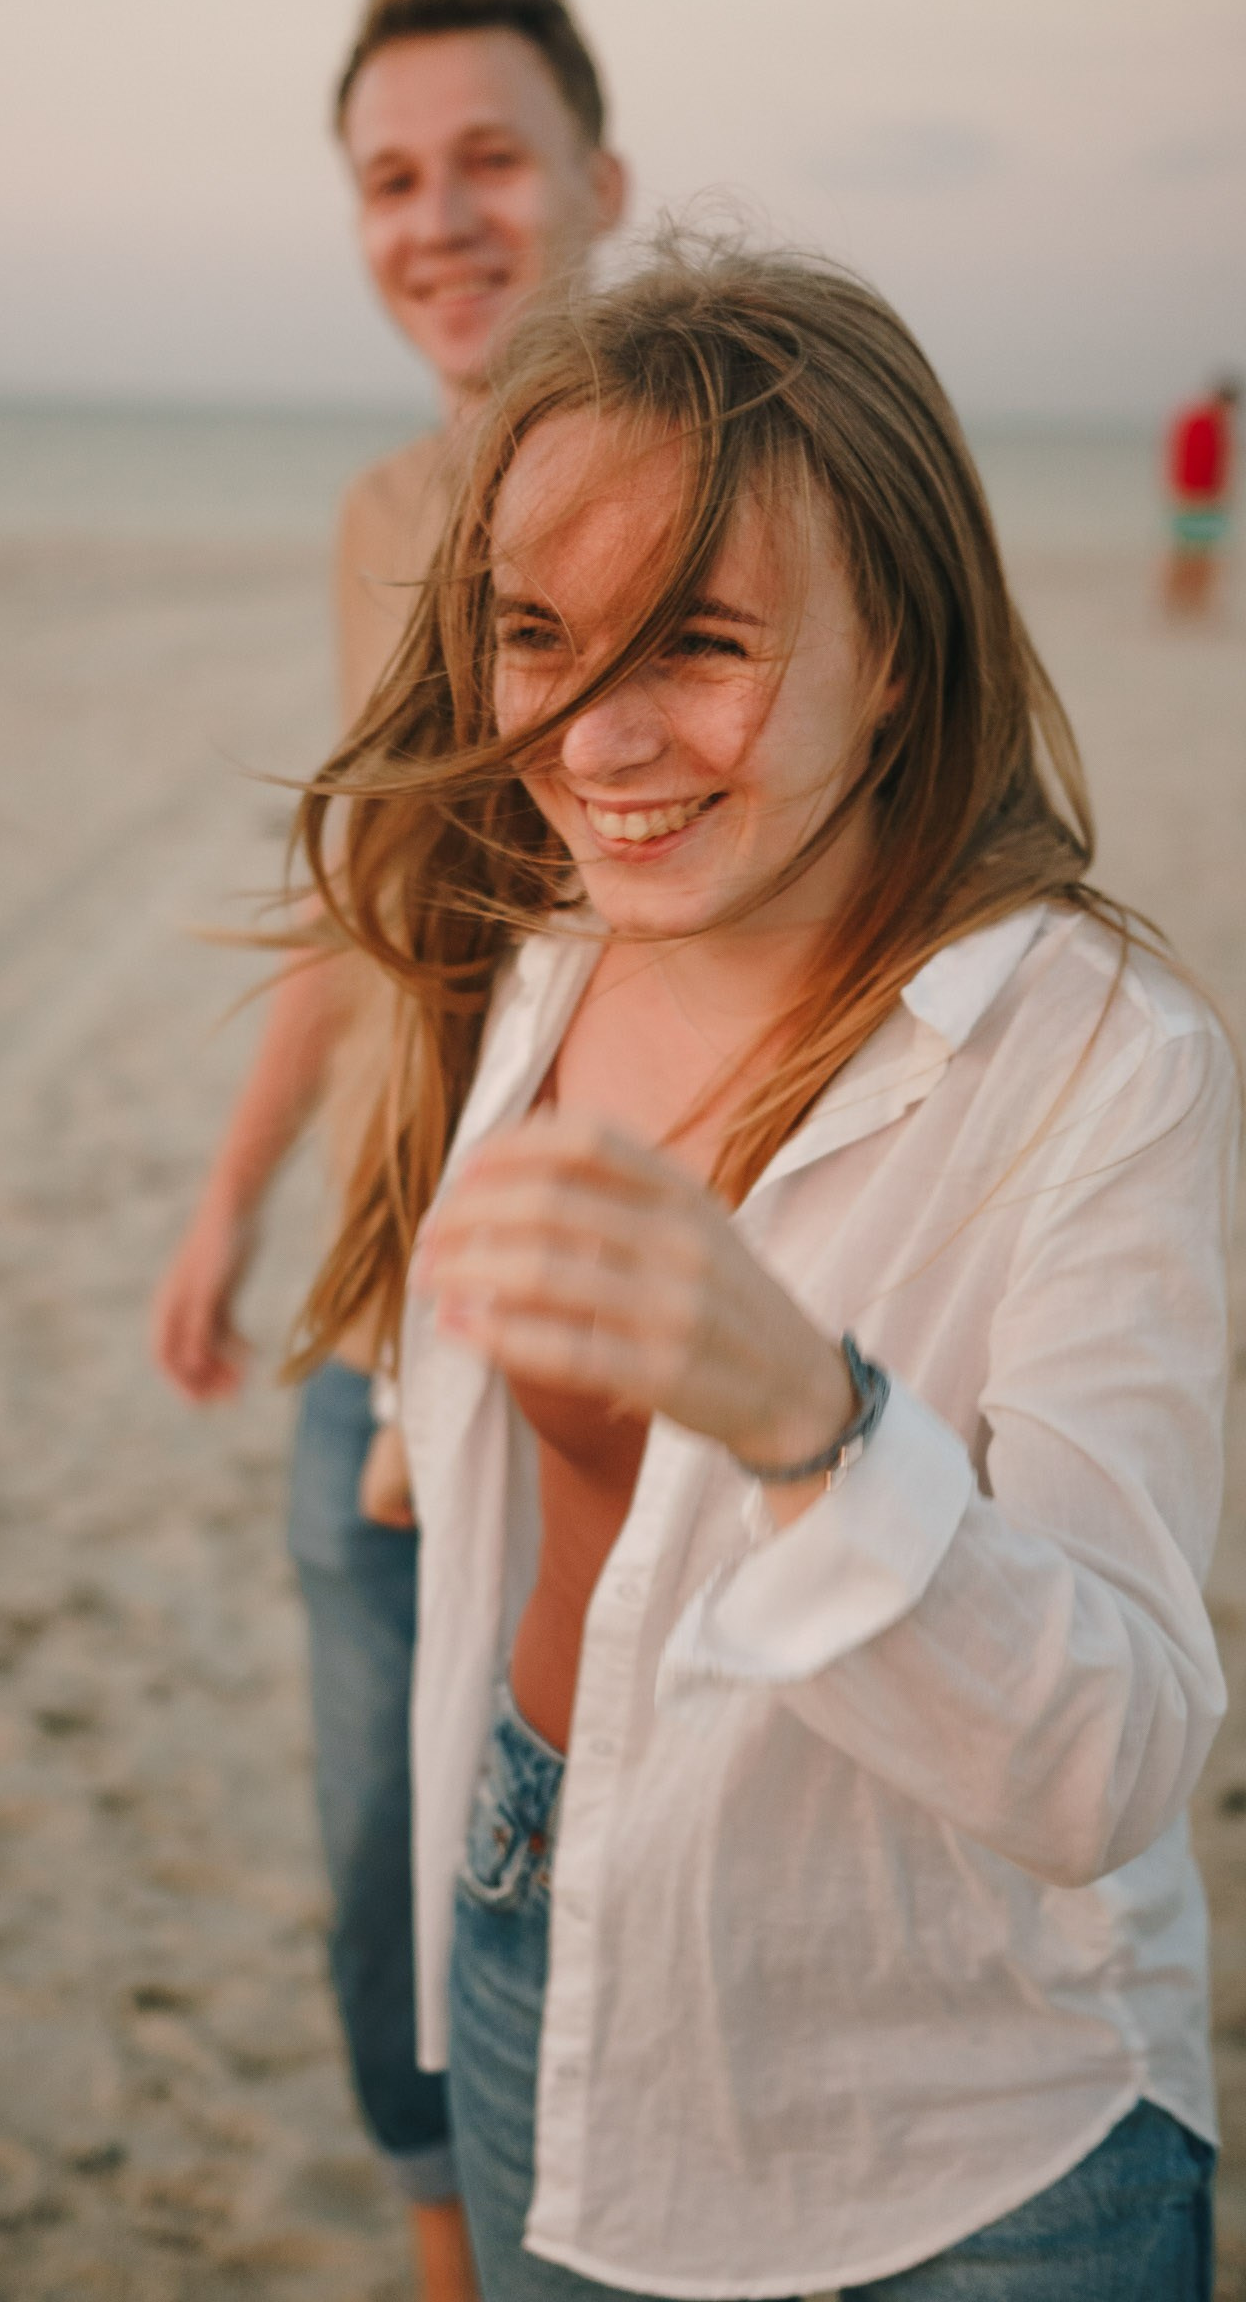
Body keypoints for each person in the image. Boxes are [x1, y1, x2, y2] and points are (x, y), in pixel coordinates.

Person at [291, 237, 1235, 2297]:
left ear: (893, 643)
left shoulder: (1099, 1064)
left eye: (697, 644)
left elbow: (1114, 1762)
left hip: (971, 2121)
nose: (598, 741)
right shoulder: (532, 966)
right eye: (537, 637)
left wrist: (814, 1422)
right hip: (542, 1936)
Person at [151, 0, 624, 2299]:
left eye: (485, 162)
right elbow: (358, 907)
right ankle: (441, 2245)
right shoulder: (378, 506)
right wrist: (229, 1198)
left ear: (597, 179)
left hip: (577, 1333)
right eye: (386, 178)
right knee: (373, 1850)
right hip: (364, 1319)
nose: (434, 219)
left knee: (578, 1866)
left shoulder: (697, 489)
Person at [1163, 376, 1238, 616]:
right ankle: (1178, 602)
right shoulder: (1200, 421)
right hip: (1194, 497)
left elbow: (1219, 465)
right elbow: (1190, 461)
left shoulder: (1216, 424)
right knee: (1188, 553)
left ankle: (1195, 604)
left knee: (1202, 553)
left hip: (1206, 498)